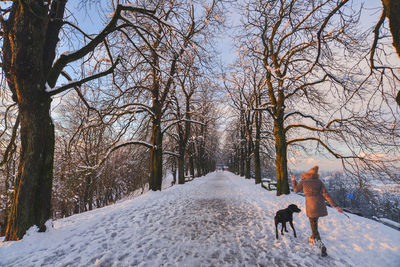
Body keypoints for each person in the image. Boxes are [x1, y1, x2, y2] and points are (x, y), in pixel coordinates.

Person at [291, 166, 343, 257]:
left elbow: (295, 190)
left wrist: (293, 181)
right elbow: (326, 195)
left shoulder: (303, 181)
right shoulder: (319, 182)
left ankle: (321, 246)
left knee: (314, 227)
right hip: (319, 206)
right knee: (314, 224)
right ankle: (312, 238)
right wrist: (336, 206)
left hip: (311, 207)